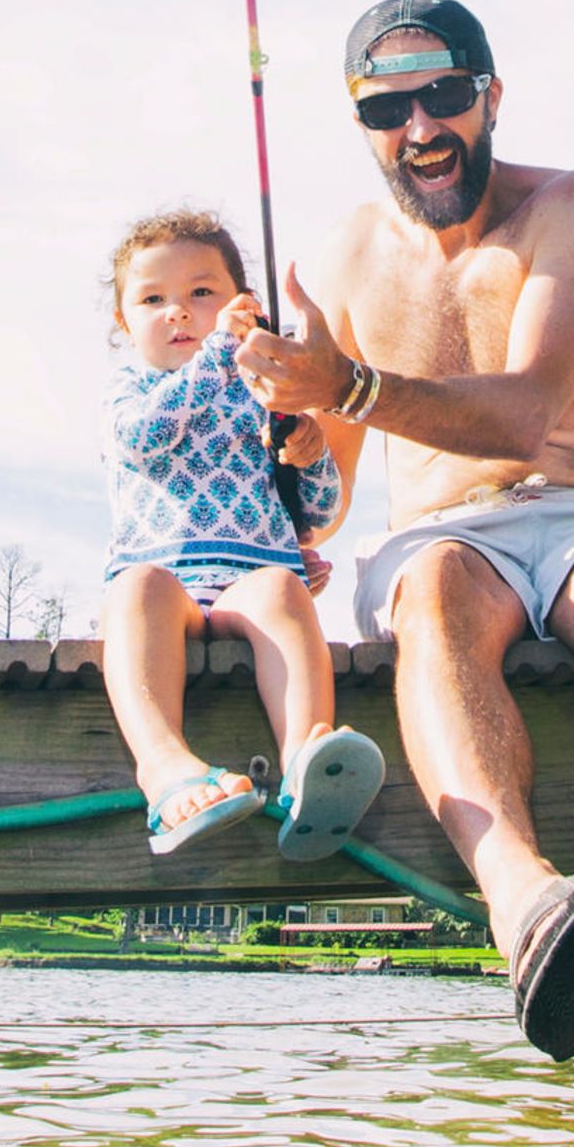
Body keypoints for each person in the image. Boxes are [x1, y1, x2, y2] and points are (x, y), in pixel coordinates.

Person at [231, 0, 574, 1147]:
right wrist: (289, 442)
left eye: (445, 94)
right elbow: (333, 487)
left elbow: (528, 405)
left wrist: (342, 385)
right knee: (436, 587)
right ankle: (528, 906)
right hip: (445, 537)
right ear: (361, 122)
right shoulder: (339, 256)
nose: (422, 127)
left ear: (490, 95)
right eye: (387, 107)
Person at [100, 208, 384, 858]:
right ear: (124, 321)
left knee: (284, 589)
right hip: (165, 580)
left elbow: (313, 511)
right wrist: (215, 356)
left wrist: (309, 450)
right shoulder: (129, 389)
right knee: (134, 590)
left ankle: (308, 762)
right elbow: (144, 442)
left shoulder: (268, 390)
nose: (177, 312)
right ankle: (164, 768)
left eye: (201, 293)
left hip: (247, 580)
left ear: (240, 303)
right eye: (152, 299)